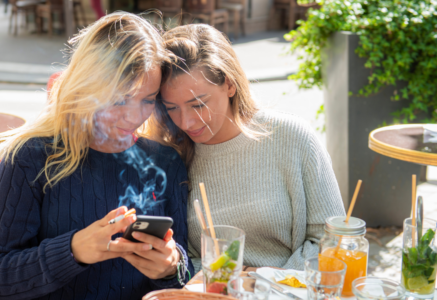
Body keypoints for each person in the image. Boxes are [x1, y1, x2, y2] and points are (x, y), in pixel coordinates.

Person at [0, 12, 193, 300]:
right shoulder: (31, 158)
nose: (134, 117)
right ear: (88, 89)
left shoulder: (166, 163)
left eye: (148, 100)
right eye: (119, 99)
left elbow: (183, 280)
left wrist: (171, 268)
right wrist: (74, 250)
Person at [145, 24, 346, 272]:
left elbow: (333, 240)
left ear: (229, 84)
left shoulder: (293, 137)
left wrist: (267, 284)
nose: (185, 122)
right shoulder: (168, 156)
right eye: (172, 108)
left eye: (198, 105)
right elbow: (178, 263)